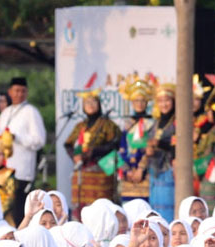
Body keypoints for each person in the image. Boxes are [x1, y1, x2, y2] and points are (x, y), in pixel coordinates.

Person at [0, 77, 47, 226]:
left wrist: (17, 137)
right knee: (6, 211)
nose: (19, 94)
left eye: (23, 91)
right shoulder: (5, 112)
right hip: (5, 170)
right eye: (16, 90)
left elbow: (39, 140)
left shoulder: (31, 112)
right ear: (10, 92)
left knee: (20, 210)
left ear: (27, 93)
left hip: (22, 171)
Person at [64, 89, 121, 220]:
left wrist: (94, 151)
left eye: (93, 102)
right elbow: (68, 144)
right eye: (87, 102)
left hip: (101, 171)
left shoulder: (107, 124)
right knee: (81, 207)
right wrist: (75, 156)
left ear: (99, 104)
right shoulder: (80, 126)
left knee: (101, 207)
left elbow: (115, 144)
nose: (90, 105)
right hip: (81, 172)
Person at [141, 82, 177, 220]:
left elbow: (177, 145)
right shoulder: (155, 123)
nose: (164, 104)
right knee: (155, 208)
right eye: (161, 101)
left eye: (167, 100)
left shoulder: (177, 121)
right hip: (154, 170)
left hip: (169, 169)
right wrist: (149, 147)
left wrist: (159, 143)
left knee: (167, 206)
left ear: (173, 102)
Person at [117, 74, 155, 204]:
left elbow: (151, 149)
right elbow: (121, 148)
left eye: (142, 100)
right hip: (128, 175)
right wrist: (127, 170)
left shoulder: (152, 123)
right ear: (132, 102)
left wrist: (141, 169)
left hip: (145, 173)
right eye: (136, 101)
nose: (139, 104)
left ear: (147, 102)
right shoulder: (127, 123)